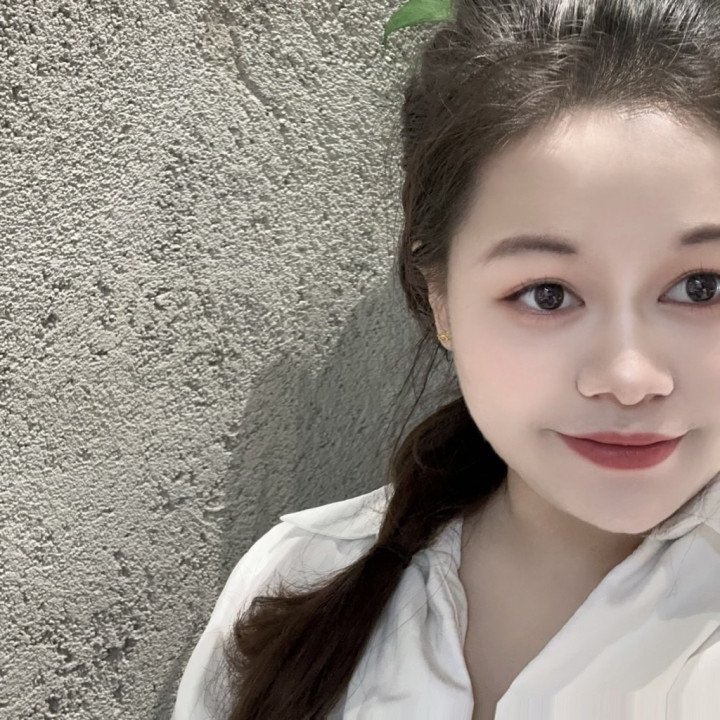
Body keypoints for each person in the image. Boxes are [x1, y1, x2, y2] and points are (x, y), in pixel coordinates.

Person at [172, 1, 720, 718]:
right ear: (441, 299)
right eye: (547, 294)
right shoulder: (302, 576)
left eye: (702, 287)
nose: (629, 377)